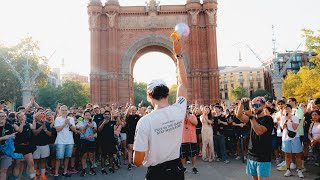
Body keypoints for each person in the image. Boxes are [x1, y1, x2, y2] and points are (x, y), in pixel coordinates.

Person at [133, 38, 187, 180]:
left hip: (157, 174)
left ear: (149, 95)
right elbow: (184, 85)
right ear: (167, 92)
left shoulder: (145, 122)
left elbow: (137, 161)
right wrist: (179, 56)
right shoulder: (179, 110)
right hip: (177, 170)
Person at [236, 97, 274, 180]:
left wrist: (251, 117)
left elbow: (259, 131)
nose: (254, 107)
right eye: (253, 105)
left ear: (264, 106)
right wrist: (242, 104)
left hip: (263, 156)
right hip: (251, 154)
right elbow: (239, 116)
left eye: (257, 105)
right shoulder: (253, 118)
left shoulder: (268, 119)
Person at [53, 105, 77, 180]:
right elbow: (57, 130)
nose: (64, 111)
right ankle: (56, 174)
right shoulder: (57, 119)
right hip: (60, 141)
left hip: (69, 141)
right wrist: (64, 124)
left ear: (67, 111)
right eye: (62, 110)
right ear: (60, 111)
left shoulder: (71, 119)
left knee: (67, 157)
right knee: (58, 158)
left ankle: (65, 172)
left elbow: (74, 130)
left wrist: (69, 123)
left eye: (65, 110)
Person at [12, 111, 37, 180]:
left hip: (27, 146)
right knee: (18, 164)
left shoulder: (28, 124)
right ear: (17, 118)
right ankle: (16, 178)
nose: (22, 117)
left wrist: (34, 118)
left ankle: (32, 178)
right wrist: (22, 123)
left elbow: (34, 127)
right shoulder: (15, 124)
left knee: (31, 163)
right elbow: (19, 130)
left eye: (23, 116)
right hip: (18, 147)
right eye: (20, 117)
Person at [32, 111, 52, 180]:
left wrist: (45, 129)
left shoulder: (47, 124)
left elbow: (50, 135)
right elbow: (35, 133)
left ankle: (43, 175)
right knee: (36, 161)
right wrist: (41, 127)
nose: (42, 115)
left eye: (43, 114)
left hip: (45, 145)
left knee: (43, 160)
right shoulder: (34, 124)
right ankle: (34, 176)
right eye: (40, 114)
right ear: (37, 116)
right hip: (36, 145)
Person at [77, 110, 97, 177]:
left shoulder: (93, 122)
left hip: (91, 140)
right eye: (86, 115)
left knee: (91, 155)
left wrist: (92, 126)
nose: (88, 116)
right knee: (84, 155)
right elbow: (82, 132)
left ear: (90, 116)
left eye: (89, 115)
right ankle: (84, 170)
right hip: (84, 140)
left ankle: (92, 169)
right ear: (84, 116)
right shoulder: (80, 122)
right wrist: (86, 126)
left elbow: (95, 131)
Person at [180, 106, 198, 174]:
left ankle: (193, 167)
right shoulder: (180, 117)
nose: (186, 110)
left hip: (192, 138)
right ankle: (184, 167)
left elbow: (195, 123)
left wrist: (187, 117)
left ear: (189, 110)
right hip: (183, 138)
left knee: (193, 154)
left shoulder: (193, 116)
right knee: (183, 155)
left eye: (187, 109)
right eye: (185, 109)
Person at [98, 110, 117, 174]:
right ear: (103, 115)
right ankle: (103, 168)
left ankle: (110, 167)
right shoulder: (101, 122)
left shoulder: (112, 122)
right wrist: (104, 123)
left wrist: (118, 116)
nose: (107, 115)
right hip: (103, 142)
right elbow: (99, 130)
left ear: (110, 115)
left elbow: (120, 124)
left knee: (111, 155)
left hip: (111, 141)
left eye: (108, 114)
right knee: (103, 156)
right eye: (105, 114)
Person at [0, 110, 17, 180]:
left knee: (4, 170)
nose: (2, 117)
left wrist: (12, 137)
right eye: (0, 116)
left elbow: (13, 136)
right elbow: (7, 137)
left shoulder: (8, 126)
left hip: (6, 151)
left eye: (3, 116)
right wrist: (4, 137)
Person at [125, 105, 141, 170]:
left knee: (135, 149)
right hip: (130, 135)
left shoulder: (137, 117)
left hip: (137, 135)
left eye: (134, 110)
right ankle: (129, 164)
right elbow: (126, 114)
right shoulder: (128, 117)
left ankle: (133, 161)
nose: (133, 111)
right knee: (130, 149)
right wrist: (129, 106)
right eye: (132, 110)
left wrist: (139, 107)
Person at [308, 110, 320, 180]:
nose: (314, 116)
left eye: (316, 115)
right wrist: (311, 139)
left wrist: (315, 140)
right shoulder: (312, 124)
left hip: (318, 142)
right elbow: (309, 133)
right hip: (315, 144)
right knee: (317, 159)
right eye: (313, 115)